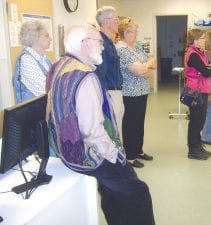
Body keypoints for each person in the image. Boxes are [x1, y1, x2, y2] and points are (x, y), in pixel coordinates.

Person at [46, 25, 155, 225]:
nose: (103, 48)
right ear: (85, 44)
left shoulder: (60, 66)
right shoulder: (86, 77)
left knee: (111, 191)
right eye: (99, 42)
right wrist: (116, 156)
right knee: (138, 193)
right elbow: (92, 132)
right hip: (89, 157)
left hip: (66, 151)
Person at [116, 18, 155, 168]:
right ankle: (130, 156)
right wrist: (146, 68)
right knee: (130, 125)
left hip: (142, 91)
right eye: (132, 31)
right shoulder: (122, 49)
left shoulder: (136, 47)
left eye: (136, 31)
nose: (135, 34)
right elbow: (140, 70)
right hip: (130, 94)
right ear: (124, 33)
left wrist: (147, 67)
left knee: (139, 124)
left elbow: (152, 61)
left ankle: (138, 150)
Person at [184, 28, 211, 160]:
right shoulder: (193, 54)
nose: (205, 40)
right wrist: (209, 68)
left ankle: (198, 145)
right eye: (202, 38)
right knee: (196, 121)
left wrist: (209, 68)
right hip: (195, 91)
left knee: (200, 120)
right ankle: (193, 149)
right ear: (195, 40)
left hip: (203, 90)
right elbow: (207, 71)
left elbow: (208, 69)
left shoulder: (200, 52)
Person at [95, 6, 124, 136]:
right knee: (113, 133)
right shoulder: (102, 44)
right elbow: (100, 74)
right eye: (116, 19)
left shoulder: (109, 41)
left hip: (115, 92)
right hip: (110, 94)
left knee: (117, 130)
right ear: (107, 21)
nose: (119, 22)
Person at [13, 20, 52, 103]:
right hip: (32, 113)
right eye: (47, 36)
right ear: (35, 38)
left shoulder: (45, 59)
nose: (50, 39)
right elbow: (45, 90)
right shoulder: (26, 60)